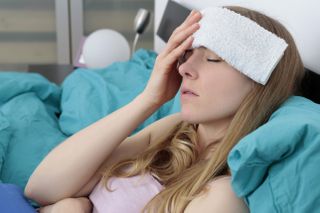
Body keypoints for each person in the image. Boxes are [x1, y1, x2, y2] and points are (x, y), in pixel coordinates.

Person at [24, 6, 304, 213]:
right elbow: (42, 188)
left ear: (259, 83)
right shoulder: (175, 128)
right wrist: (148, 99)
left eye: (212, 58)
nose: (184, 68)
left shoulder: (224, 194)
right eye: (186, 55)